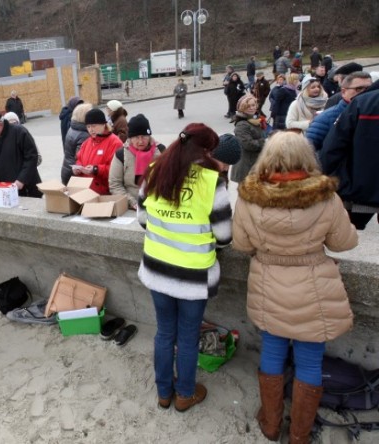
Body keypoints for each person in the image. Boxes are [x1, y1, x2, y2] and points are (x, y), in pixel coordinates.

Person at [232, 131, 357, 444]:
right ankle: (300, 435)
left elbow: (241, 243)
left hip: (268, 282)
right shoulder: (326, 196)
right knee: (310, 361)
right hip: (313, 285)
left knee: (272, 353)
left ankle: (271, 425)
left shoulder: (249, 195)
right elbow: (344, 242)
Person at [137, 123, 232, 414]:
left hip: (158, 269)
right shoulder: (211, 181)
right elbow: (225, 236)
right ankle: (185, 395)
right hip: (193, 276)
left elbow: (143, 219)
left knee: (164, 333)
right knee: (188, 338)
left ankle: (164, 393)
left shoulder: (154, 171)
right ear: (206, 151)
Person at [321, 78, 379, 230]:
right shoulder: (362, 103)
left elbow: (332, 148)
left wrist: (337, 182)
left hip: (364, 188)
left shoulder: (362, 103)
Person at [0, 111, 42, 197]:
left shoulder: (19, 132)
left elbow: (32, 158)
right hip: (8, 192)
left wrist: (21, 180)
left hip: (27, 189)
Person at [306, 72, 373, 152]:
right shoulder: (326, 118)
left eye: (369, 89)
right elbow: (308, 153)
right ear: (344, 92)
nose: (366, 93)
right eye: (359, 89)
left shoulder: (373, 115)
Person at [109, 114, 162, 209]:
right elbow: (115, 184)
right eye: (136, 137)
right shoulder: (121, 154)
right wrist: (132, 202)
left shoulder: (161, 151)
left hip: (158, 204)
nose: (141, 141)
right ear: (130, 138)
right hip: (132, 205)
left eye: (144, 136)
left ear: (149, 136)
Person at [72, 108, 123, 195]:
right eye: (88, 127)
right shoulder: (86, 143)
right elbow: (79, 159)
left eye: (94, 126)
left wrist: (96, 169)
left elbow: (117, 170)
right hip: (86, 189)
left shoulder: (115, 143)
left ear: (103, 124)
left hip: (104, 192)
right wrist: (78, 168)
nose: (91, 130)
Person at [230, 95, 266, 183]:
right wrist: (265, 142)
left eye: (253, 105)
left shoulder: (255, 120)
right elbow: (248, 144)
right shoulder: (242, 124)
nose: (251, 108)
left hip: (255, 164)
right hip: (246, 167)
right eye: (247, 106)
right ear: (242, 108)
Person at [61, 102, 92, 185]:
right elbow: (81, 158)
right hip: (74, 174)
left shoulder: (73, 128)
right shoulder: (84, 134)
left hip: (67, 169)